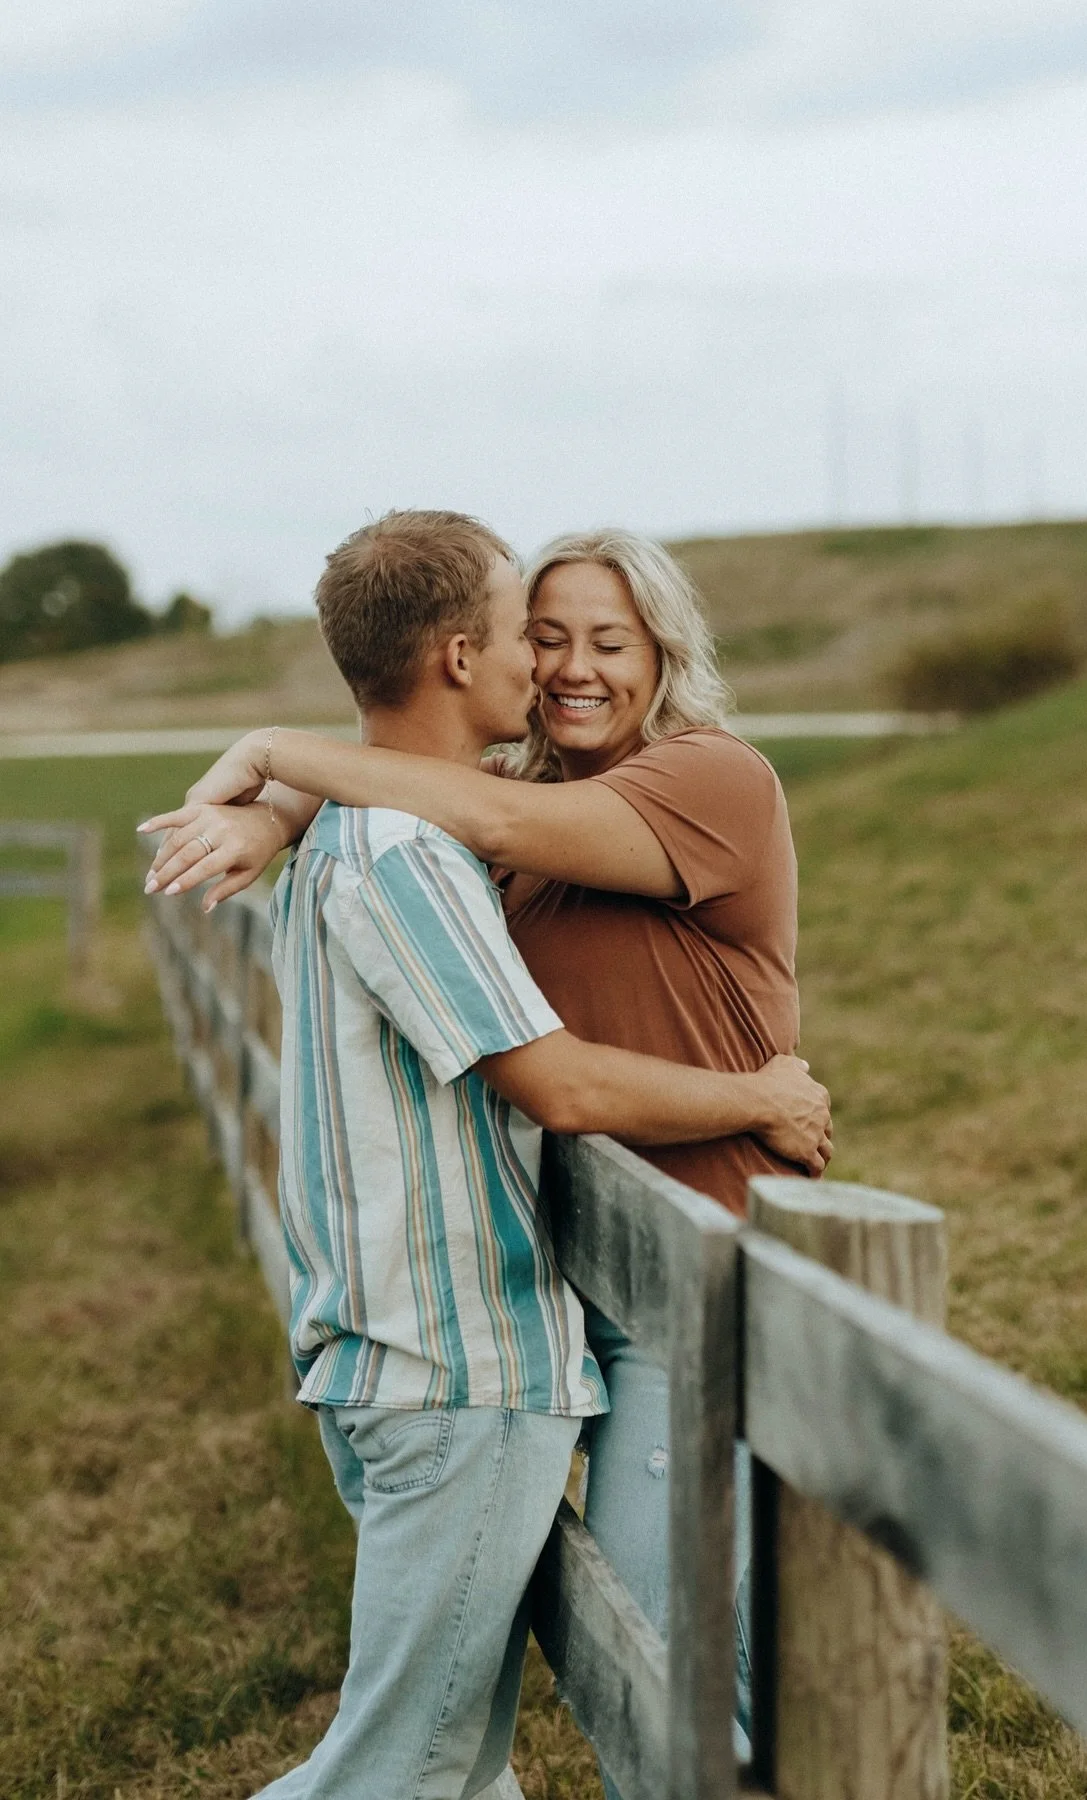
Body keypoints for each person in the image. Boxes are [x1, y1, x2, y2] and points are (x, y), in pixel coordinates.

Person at [140, 511, 831, 1800]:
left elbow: (451, 802)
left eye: (608, 641)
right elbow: (433, 795)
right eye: (545, 634)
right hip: (567, 1293)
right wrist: (280, 808)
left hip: (702, 1272)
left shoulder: (707, 779)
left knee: (669, 1661)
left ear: (665, 652)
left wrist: (279, 763)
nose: (570, 666)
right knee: (572, 1697)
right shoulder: (500, 809)